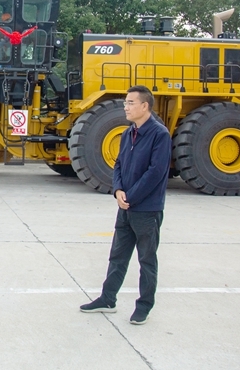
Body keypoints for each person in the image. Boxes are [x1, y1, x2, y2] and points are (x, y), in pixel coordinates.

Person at [79, 85, 171, 325]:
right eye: (125, 103)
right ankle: (107, 299)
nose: (126, 107)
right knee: (117, 257)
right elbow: (118, 164)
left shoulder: (160, 135)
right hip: (125, 206)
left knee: (146, 260)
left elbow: (156, 172)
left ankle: (144, 306)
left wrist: (131, 197)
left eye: (131, 103)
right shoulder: (127, 133)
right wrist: (118, 190)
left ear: (145, 106)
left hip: (146, 210)